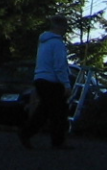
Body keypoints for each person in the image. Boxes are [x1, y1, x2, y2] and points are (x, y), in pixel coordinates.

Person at [19, 16, 73, 150]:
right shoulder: (57, 43)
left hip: (40, 79)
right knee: (58, 111)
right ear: (60, 27)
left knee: (45, 110)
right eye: (65, 27)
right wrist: (66, 84)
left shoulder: (44, 42)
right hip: (51, 81)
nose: (66, 30)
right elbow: (59, 65)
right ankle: (56, 141)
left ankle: (28, 133)